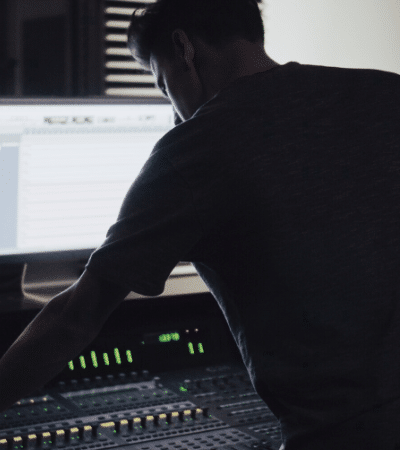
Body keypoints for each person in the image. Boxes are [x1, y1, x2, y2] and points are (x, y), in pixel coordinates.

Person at [1, 0, 400, 448]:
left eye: (161, 82)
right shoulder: (385, 91)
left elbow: (75, 319)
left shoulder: (202, 144)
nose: (172, 107)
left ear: (182, 48)